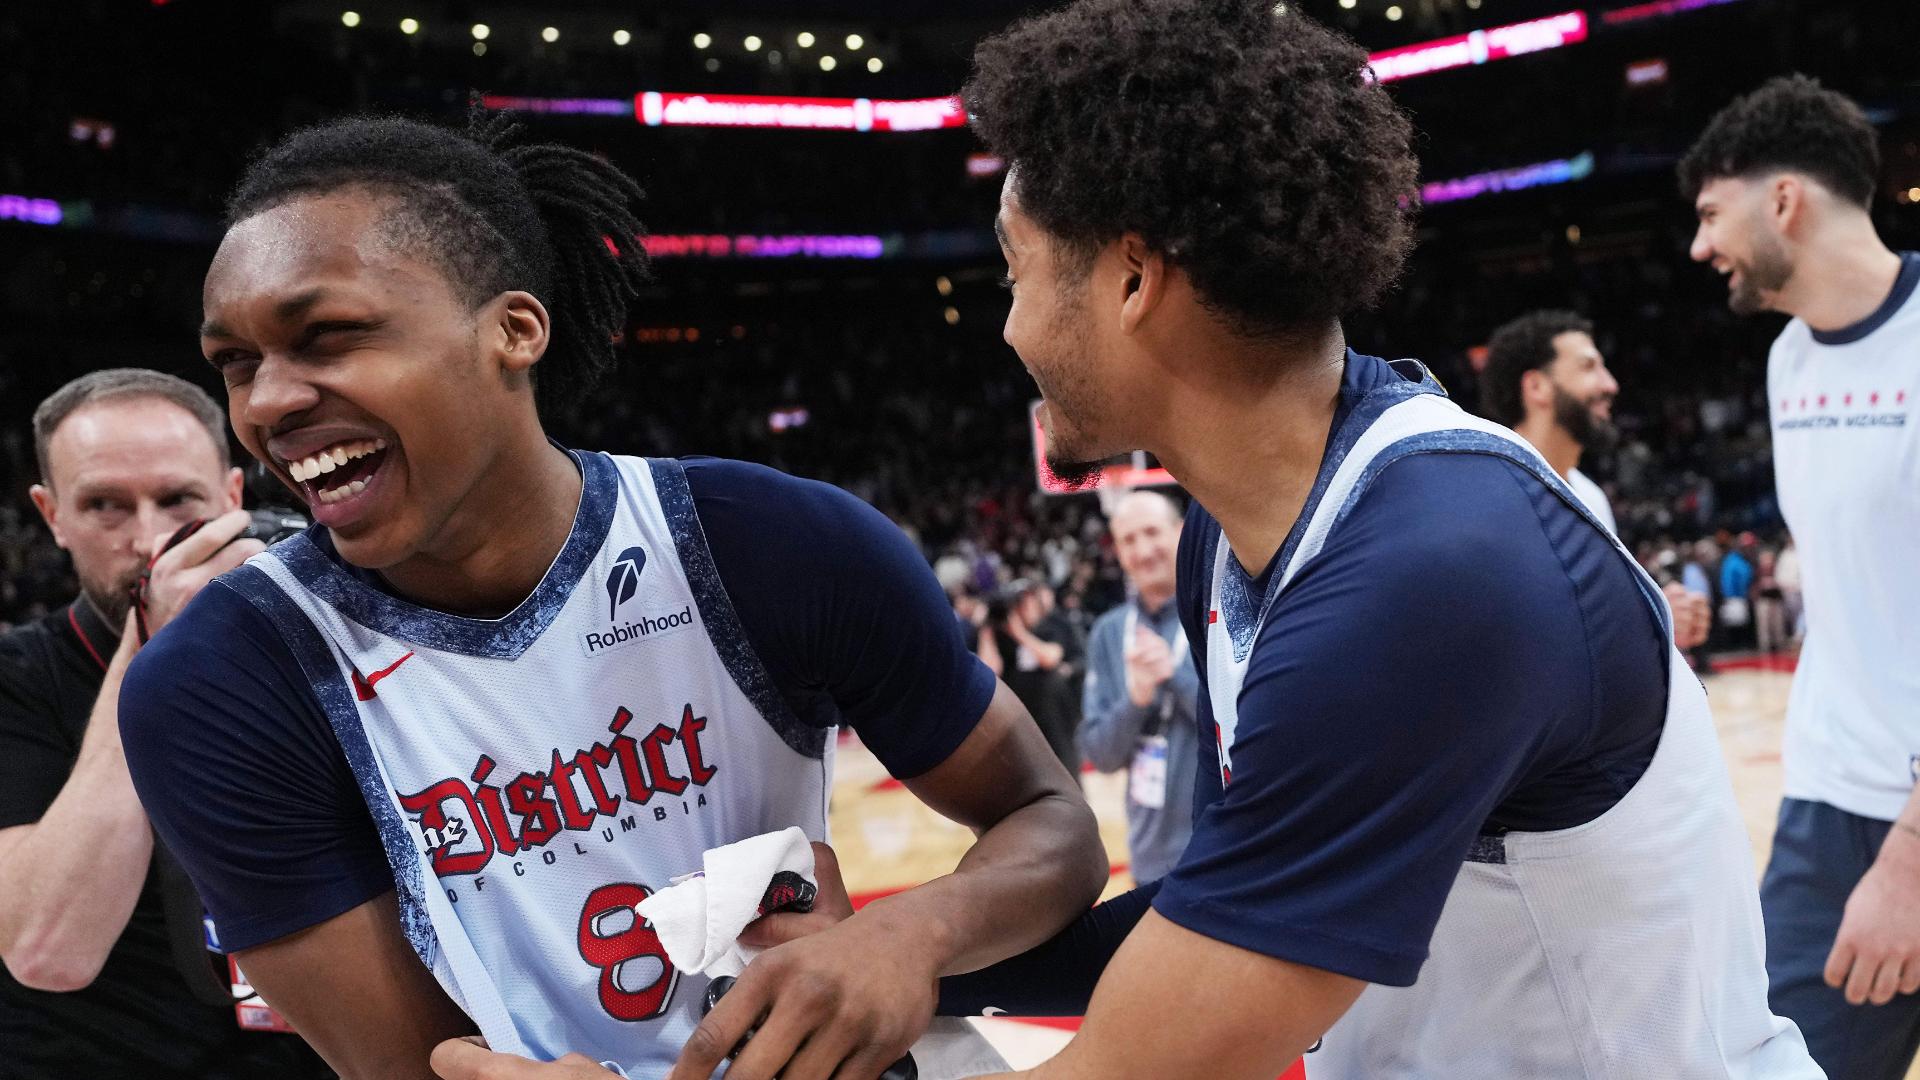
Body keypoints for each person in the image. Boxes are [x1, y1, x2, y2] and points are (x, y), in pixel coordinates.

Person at [116, 111, 1105, 1080]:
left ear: (513, 331)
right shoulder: (219, 685)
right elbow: (409, 1064)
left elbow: (1051, 820)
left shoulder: (773, 543)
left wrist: (910, 935)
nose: (267, 403)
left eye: (327, 337)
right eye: (235, 365)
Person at [938, 2, 1825, 1077]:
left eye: (1016, 273)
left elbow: (1140, 1058)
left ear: (1133, 279)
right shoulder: (1221, 543)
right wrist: (918, 954)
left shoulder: (1432, 570)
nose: (1008, 326)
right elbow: (1229, 901)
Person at [1684, 73, 1920, 1078]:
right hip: (1830, 811)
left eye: (1709, 211)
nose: (1700, 248)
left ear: (1784, 199)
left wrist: (1909, 862)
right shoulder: (1789, 362)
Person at [0, 370, 331, 1079]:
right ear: (51, 515)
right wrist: (154, 647)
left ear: (233, 497)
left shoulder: (332, 643)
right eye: (104, 507)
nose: (150, 540)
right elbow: (47, 949)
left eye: (179, 499)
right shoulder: (16, 678)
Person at [1481, 310, 1710, 650]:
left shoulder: (1591, 496)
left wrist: (1657, 619)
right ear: (1537, 387)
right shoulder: (1488, 498)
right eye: (1589, 367)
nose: (1611, 385)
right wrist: (1651, 625)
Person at [1078, 490, 1197, 884]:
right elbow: (1102, 755)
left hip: (1225, 848)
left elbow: (1245, 729)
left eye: (1152, 532)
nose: (1143, 550)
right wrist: (1136, 700)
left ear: (1180, 532)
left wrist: (1174, 677)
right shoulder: (1109, 634)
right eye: (1129, 539)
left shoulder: (1219, 610)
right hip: (1149, 859)